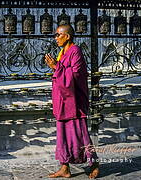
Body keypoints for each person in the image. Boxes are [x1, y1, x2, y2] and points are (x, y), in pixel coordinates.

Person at [44, 24, 99, 179]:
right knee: (63, 136)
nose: (55, 38)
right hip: (63, 101)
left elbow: (76, 76)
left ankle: (94, 164)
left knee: (81, 135)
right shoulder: (63, 52)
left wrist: (57, 67)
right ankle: (65, 167)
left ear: (67, 36)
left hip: (75, 102)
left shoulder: (76, 51)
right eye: (55, 35)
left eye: (58, 35)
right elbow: (63, 73)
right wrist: (57, 67)